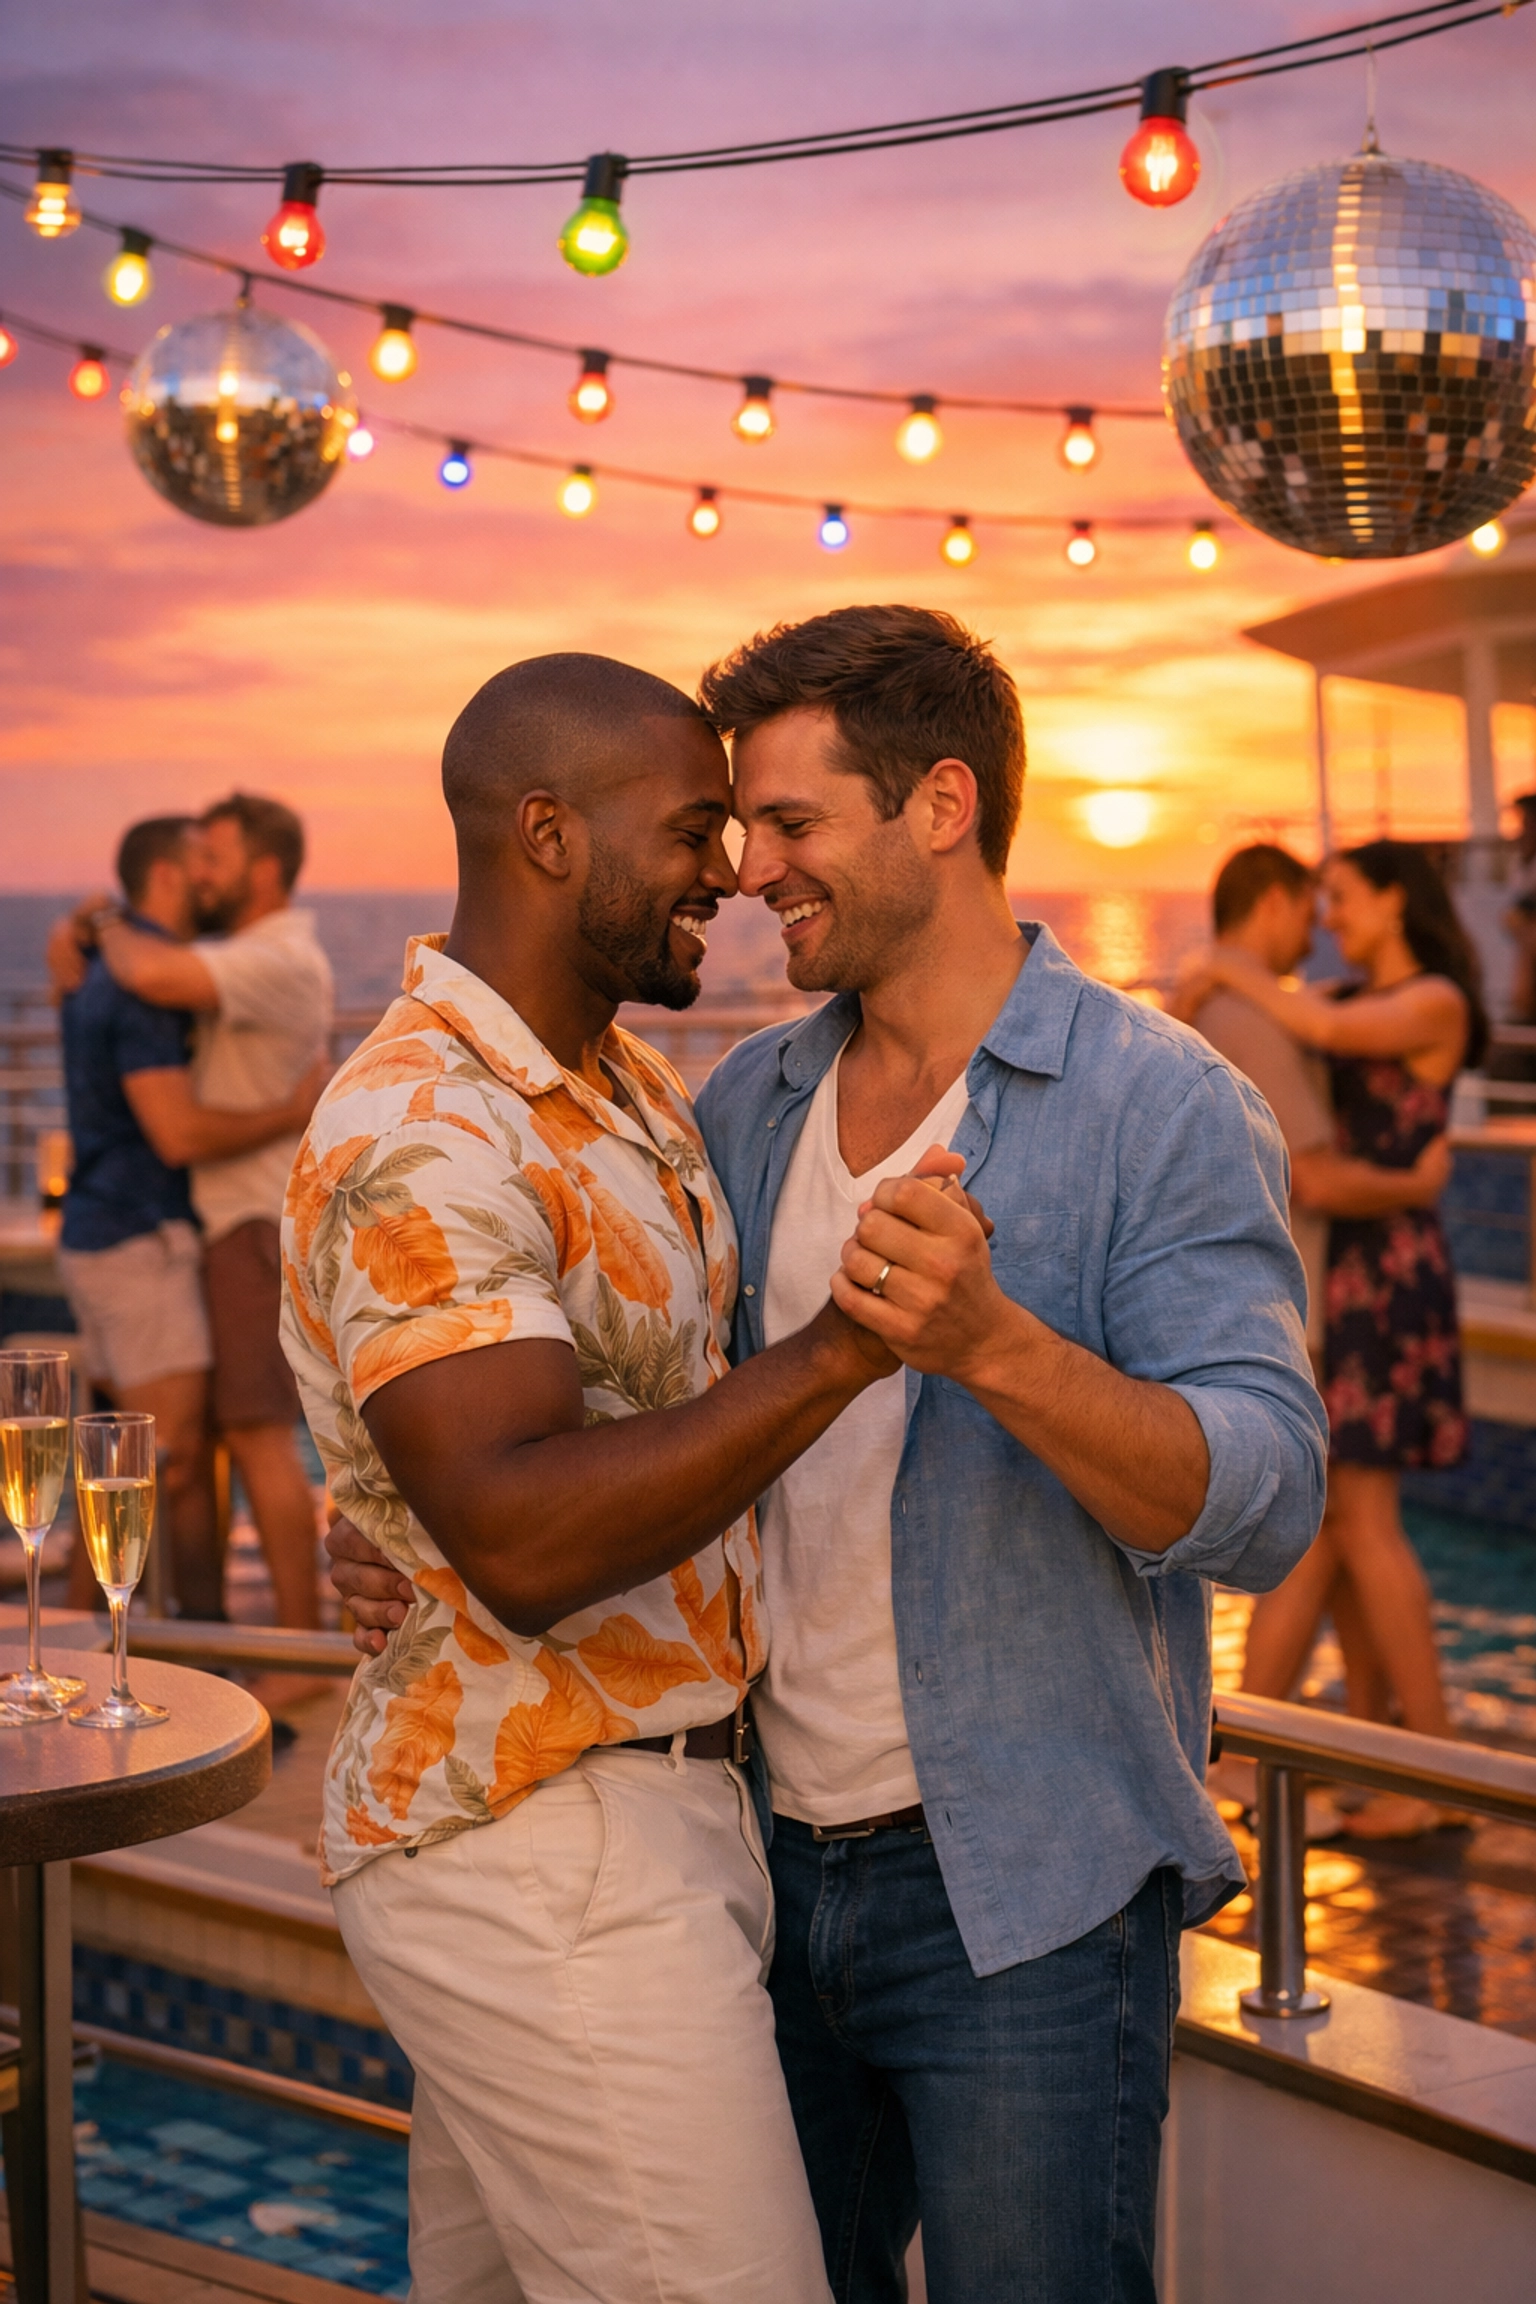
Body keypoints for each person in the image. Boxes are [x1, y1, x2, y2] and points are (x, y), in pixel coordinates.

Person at [332, 608, 1326, 2303]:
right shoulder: (747, 1104)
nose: (750, 869)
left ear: (940, 806)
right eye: (732, 828)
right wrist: (411, 1528)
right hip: (757, 1862)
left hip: (1020, 1889)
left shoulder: (1157, 1102)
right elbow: (631, 1422)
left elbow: (1264, 1495)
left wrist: (996, 1346)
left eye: (790, 824)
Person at [282, 654, 923, 2304]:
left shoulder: (628, 1091)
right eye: (692, 824)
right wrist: (843, 1347)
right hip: (544, 1845)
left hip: (657, 1817)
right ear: (549, 832)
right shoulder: (422, 1125)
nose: (726, 867)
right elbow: (519, 1528)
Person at [1181, 839, 1484, 1838]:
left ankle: (1426, 1772)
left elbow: (1308, 1024)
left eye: (1345, 899)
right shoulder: (1344, 995)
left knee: (1363, 1518)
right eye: (1320, 901)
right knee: (1345, 1526)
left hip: (1388, 1274)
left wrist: (1230, 971)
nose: (1330, 919)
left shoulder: (1433, 1000)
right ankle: (1387, 1755)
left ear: (1398, 901)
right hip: (1353, 1269)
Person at [74, 795, 334, 1651]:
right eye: (193, 860)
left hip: (249, 1228)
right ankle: (197, 1639)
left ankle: (296, 1649)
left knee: (257, 1438)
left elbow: (150, 978)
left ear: (262, 870)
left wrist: (106, 925)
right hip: (213, 1229)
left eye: (215, 857)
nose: (203, 874)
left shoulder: (277, 957)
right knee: (209, 1446)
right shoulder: (232, 953)